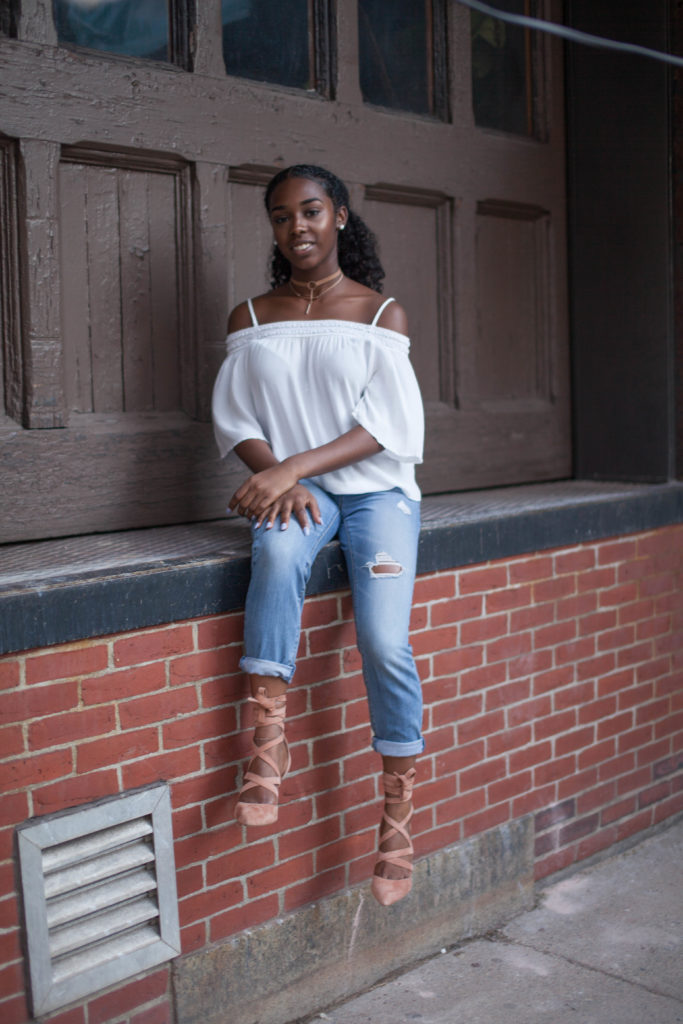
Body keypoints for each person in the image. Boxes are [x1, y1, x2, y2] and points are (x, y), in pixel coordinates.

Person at [212, 164, 425, 906]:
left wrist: (294, 467)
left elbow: (388, 428)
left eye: (309, 212)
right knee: (273, 548)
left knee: (383, 640)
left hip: (377, 498)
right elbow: (237, 419)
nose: (295, 227)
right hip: (300, 491)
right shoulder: (250, 315)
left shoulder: (379, 314)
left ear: (338, 214)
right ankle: (264, 746)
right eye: (280, 216)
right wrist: (281, 477)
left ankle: (396, 813)